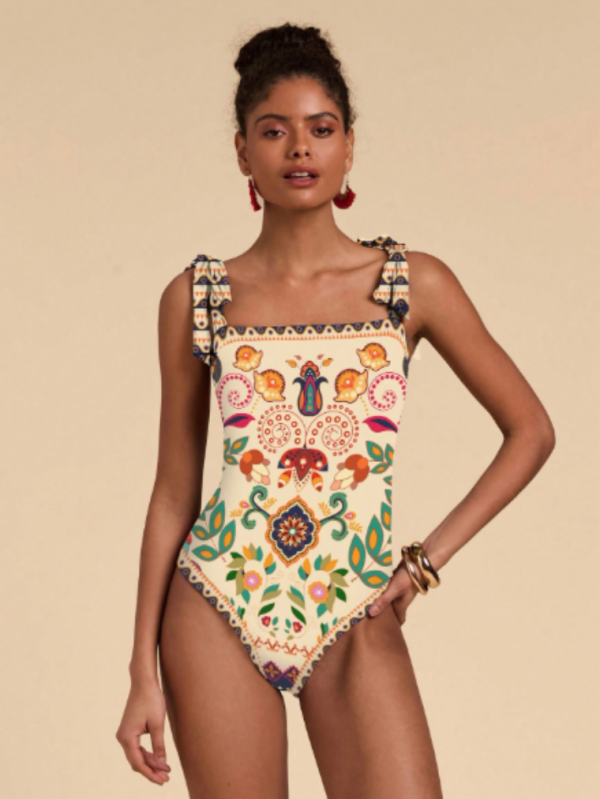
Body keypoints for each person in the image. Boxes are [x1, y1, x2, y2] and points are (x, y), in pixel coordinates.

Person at [115, 22, 555, 798]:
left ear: (349, 146)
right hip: (217, 600)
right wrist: (139, 671)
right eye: (273, 130)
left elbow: (532, 431)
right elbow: (173, 493)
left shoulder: (410, 285)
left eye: (321, 129)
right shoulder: (198, 297)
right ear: (242, 151)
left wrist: (423, 564)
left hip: (355, 605)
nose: (299, 148)